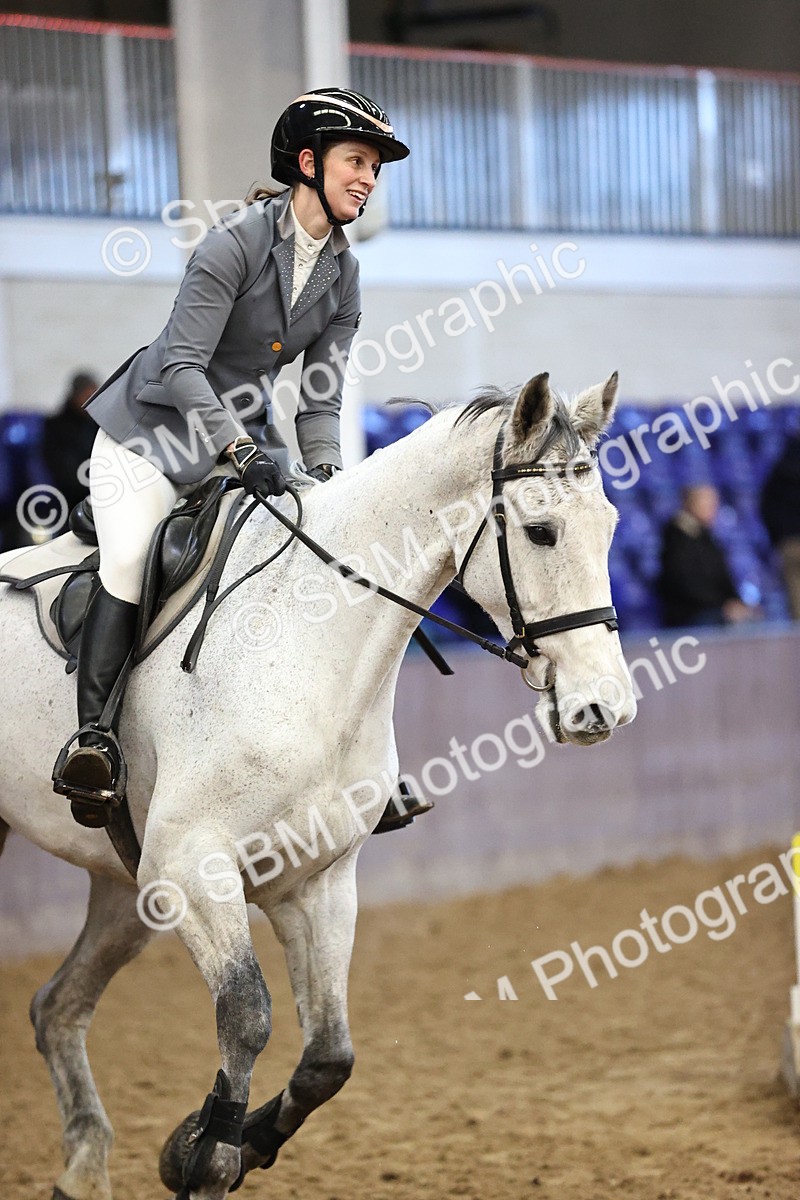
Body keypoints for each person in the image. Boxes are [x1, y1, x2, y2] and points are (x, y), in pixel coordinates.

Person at [52, 87, 430, 834]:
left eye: (375, 168)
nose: (368, 179)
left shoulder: (343, 275)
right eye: (357, 161)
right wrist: (241, 447)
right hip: (151, 433)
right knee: (130, 558)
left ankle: (345, 761)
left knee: (311, 556)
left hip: (245, 441)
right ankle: (92, 739)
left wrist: (325, 478)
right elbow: (184, 364)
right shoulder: (232, 245)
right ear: (307, 163)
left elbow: (321, 397)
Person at [658, 484, 759, 627]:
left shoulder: (706, 536)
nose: (713, 509)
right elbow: (685, 584)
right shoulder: (677, 539)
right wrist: (723, 605)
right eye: (706, 503)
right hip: (693, 613)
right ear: (690, 504)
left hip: (716, 607)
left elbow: (722, 576)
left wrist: (736, 602)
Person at [42, 371, 100, 514]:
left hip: (97, 491)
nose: (91, 401)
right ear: (76, 396)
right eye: (87, 396)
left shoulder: (97, 425)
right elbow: (59, 467)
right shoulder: (56, 426)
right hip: (67, 497)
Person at [760, 432, 800, 620]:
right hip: (790, 542)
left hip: (789, 544)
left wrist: (779, 537)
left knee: (797, 602)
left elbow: (766, 508)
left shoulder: (778, 472)